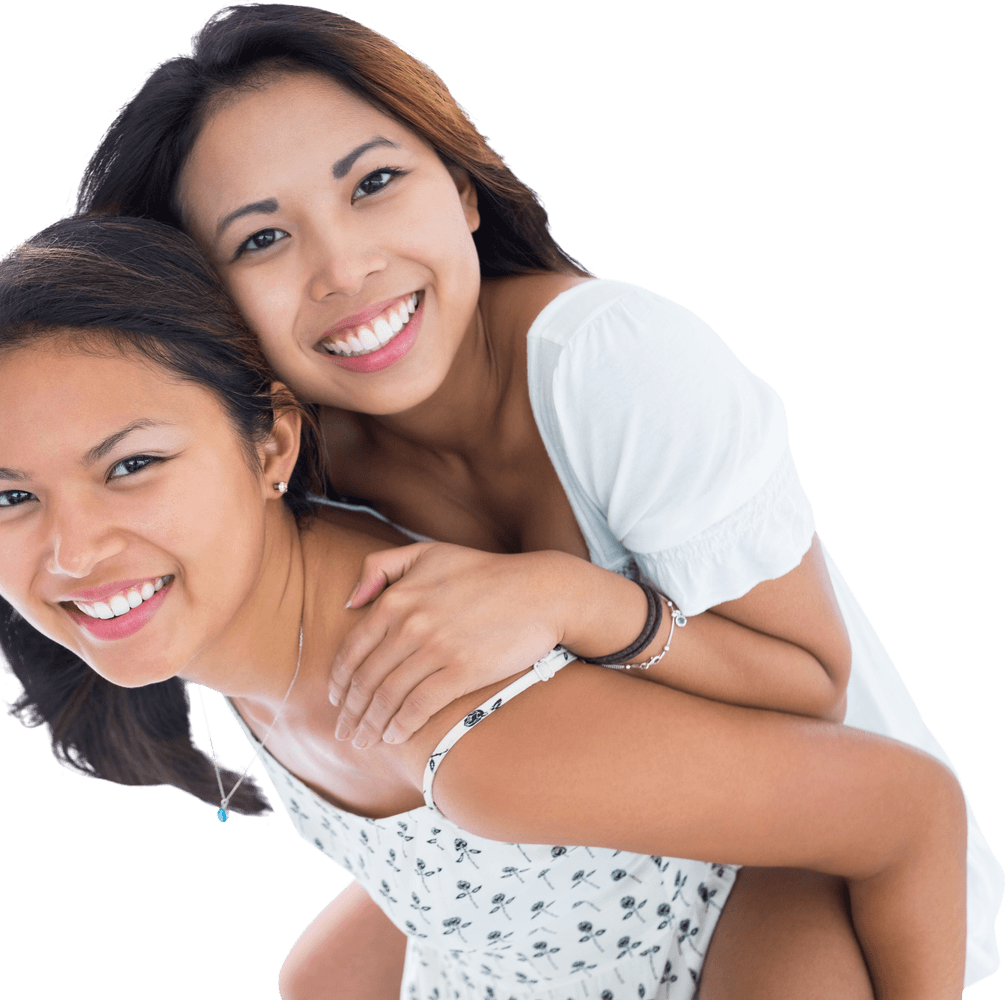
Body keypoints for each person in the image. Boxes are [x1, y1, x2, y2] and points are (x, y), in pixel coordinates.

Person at [72, 4, 1002, 992]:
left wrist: (567, 598)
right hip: (592, 836)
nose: (345, 269)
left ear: (464, 188)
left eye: (376, 184)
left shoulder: (615, 365)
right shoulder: (288, 458)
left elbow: (814, 689)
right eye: (262, 239)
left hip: (800, 817)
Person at [0, 214, 969, 1000]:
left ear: (272, 444)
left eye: (134, 464)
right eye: (9, 496)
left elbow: (910, 808)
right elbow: (421, 860)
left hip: (726, 936)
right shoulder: (233, 620)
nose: (73, 551)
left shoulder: (468, 729)